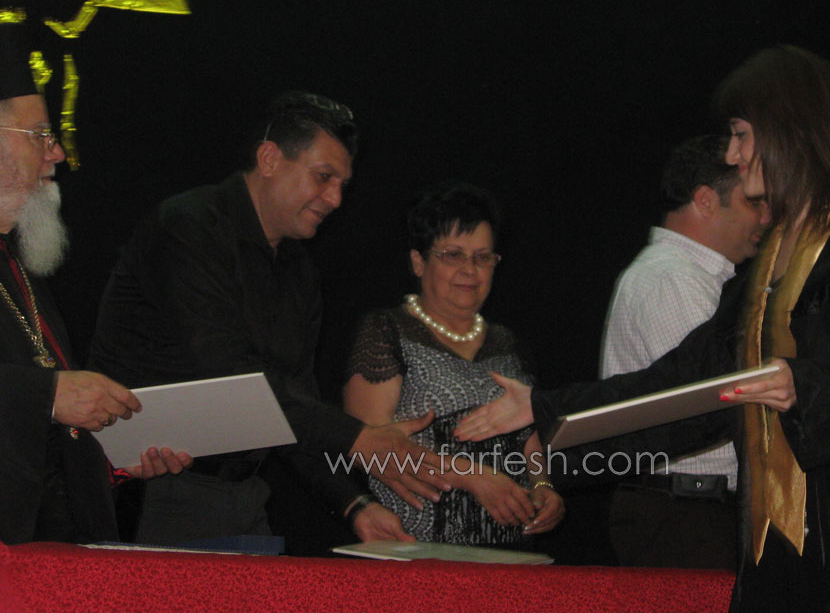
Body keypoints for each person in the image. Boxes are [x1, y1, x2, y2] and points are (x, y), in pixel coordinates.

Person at [455, 46, 830, 612]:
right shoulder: (763, 269)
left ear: (789, 132)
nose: (733, 154)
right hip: (778, 545)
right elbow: (684, 383)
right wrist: (546, 411)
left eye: (742, 135)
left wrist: (806, 386)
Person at [90, 91, 450, 549]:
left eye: (342, 184)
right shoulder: (187, 227)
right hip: (151, 493)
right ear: (269, 159)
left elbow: (293, 408)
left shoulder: (300, 272)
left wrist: (355, 505)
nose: (336, 198)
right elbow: (228, 373)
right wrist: (358, 439)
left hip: (243, 496)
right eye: (323, 177)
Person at [0, 24, 189, 545]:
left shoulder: (19, 267)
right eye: (40, 135)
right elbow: (39, 401)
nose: (57, 153)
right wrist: (48, 394)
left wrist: (113, 457)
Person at [343, 181, 564, 546]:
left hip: (510, 554)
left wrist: (543, 487)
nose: (469, 270)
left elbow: (530, 439)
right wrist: (471, 477)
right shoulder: (387, 331)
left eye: (483, 257)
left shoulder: (507, 342)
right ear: (418, 262)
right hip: (414, 550)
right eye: (453, 255)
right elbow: (369, 450)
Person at [599, 134, 768, 568]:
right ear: (706, 200)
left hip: (691, 510)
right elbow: (712, 401)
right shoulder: (672, 278)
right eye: (754, 202)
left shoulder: (691, 278)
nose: (766, 216)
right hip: (686, 512)